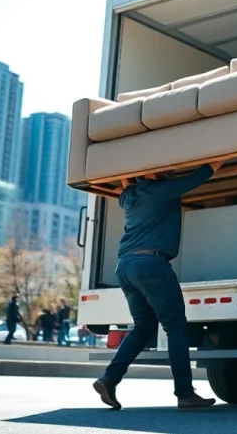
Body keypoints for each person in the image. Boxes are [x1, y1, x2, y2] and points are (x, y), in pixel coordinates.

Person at [92, 161, 223, 412]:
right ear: (150, 173)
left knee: (144, 326)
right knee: (175, 327)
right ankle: (185, 394)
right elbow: (202, 174)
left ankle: (109, 378)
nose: (169, 169)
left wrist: (132, 171)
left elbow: (125, 181)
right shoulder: (161, 190)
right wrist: (225, 153)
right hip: (151, 264)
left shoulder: (129, 197)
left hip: (125, 267)